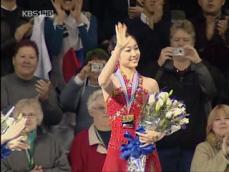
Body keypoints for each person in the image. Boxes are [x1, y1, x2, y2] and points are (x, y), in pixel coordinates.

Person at [146, 19, 226, 172]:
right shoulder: (160, 68)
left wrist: (198, 62)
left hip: (193, 145)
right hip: (164, 144)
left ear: (193, 42)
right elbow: (146, 93)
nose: (180, 44)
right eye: (176, 40)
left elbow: (213, 90)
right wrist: (159, 63)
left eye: (185, 40)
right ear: (170, 42)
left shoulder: (202, 68)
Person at [98, 23, 163, 172]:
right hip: (118, 152)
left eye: (136, 48)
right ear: (117, 53)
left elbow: (160, 121)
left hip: (146, 150)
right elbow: (101, 80)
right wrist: (118, 48)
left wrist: (157, 134)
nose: (134, 53)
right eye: (128, 50)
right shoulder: (111, 82)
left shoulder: (150, 84)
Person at [1, 39, 63, 127]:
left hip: (41, 138)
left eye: (31, 57)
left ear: (37, 62)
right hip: (10, 137)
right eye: (22, 56)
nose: (27, 61)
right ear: (13, 60)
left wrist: (45, 100)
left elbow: (56, 120)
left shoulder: (44, 85)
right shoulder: (3, 83)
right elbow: (3, 116)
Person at [1, 98, 71, 172]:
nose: (27, 119)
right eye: (23, 115)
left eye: (31, 114)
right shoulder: (6, 145)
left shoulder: (51, 142)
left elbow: (65, 169)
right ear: (16, 119)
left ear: (38, 118)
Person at [69, 89, 111, 172]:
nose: (106, 111)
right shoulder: (80, 140)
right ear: (91, 111)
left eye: (109, 106)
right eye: (101, 108)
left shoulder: (125, 136)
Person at [191, 104, 229, 172]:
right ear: (211, 126)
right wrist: (223, 153)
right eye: (217, 119)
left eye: (227, 118)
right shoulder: (203, 148)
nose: (223, 122)